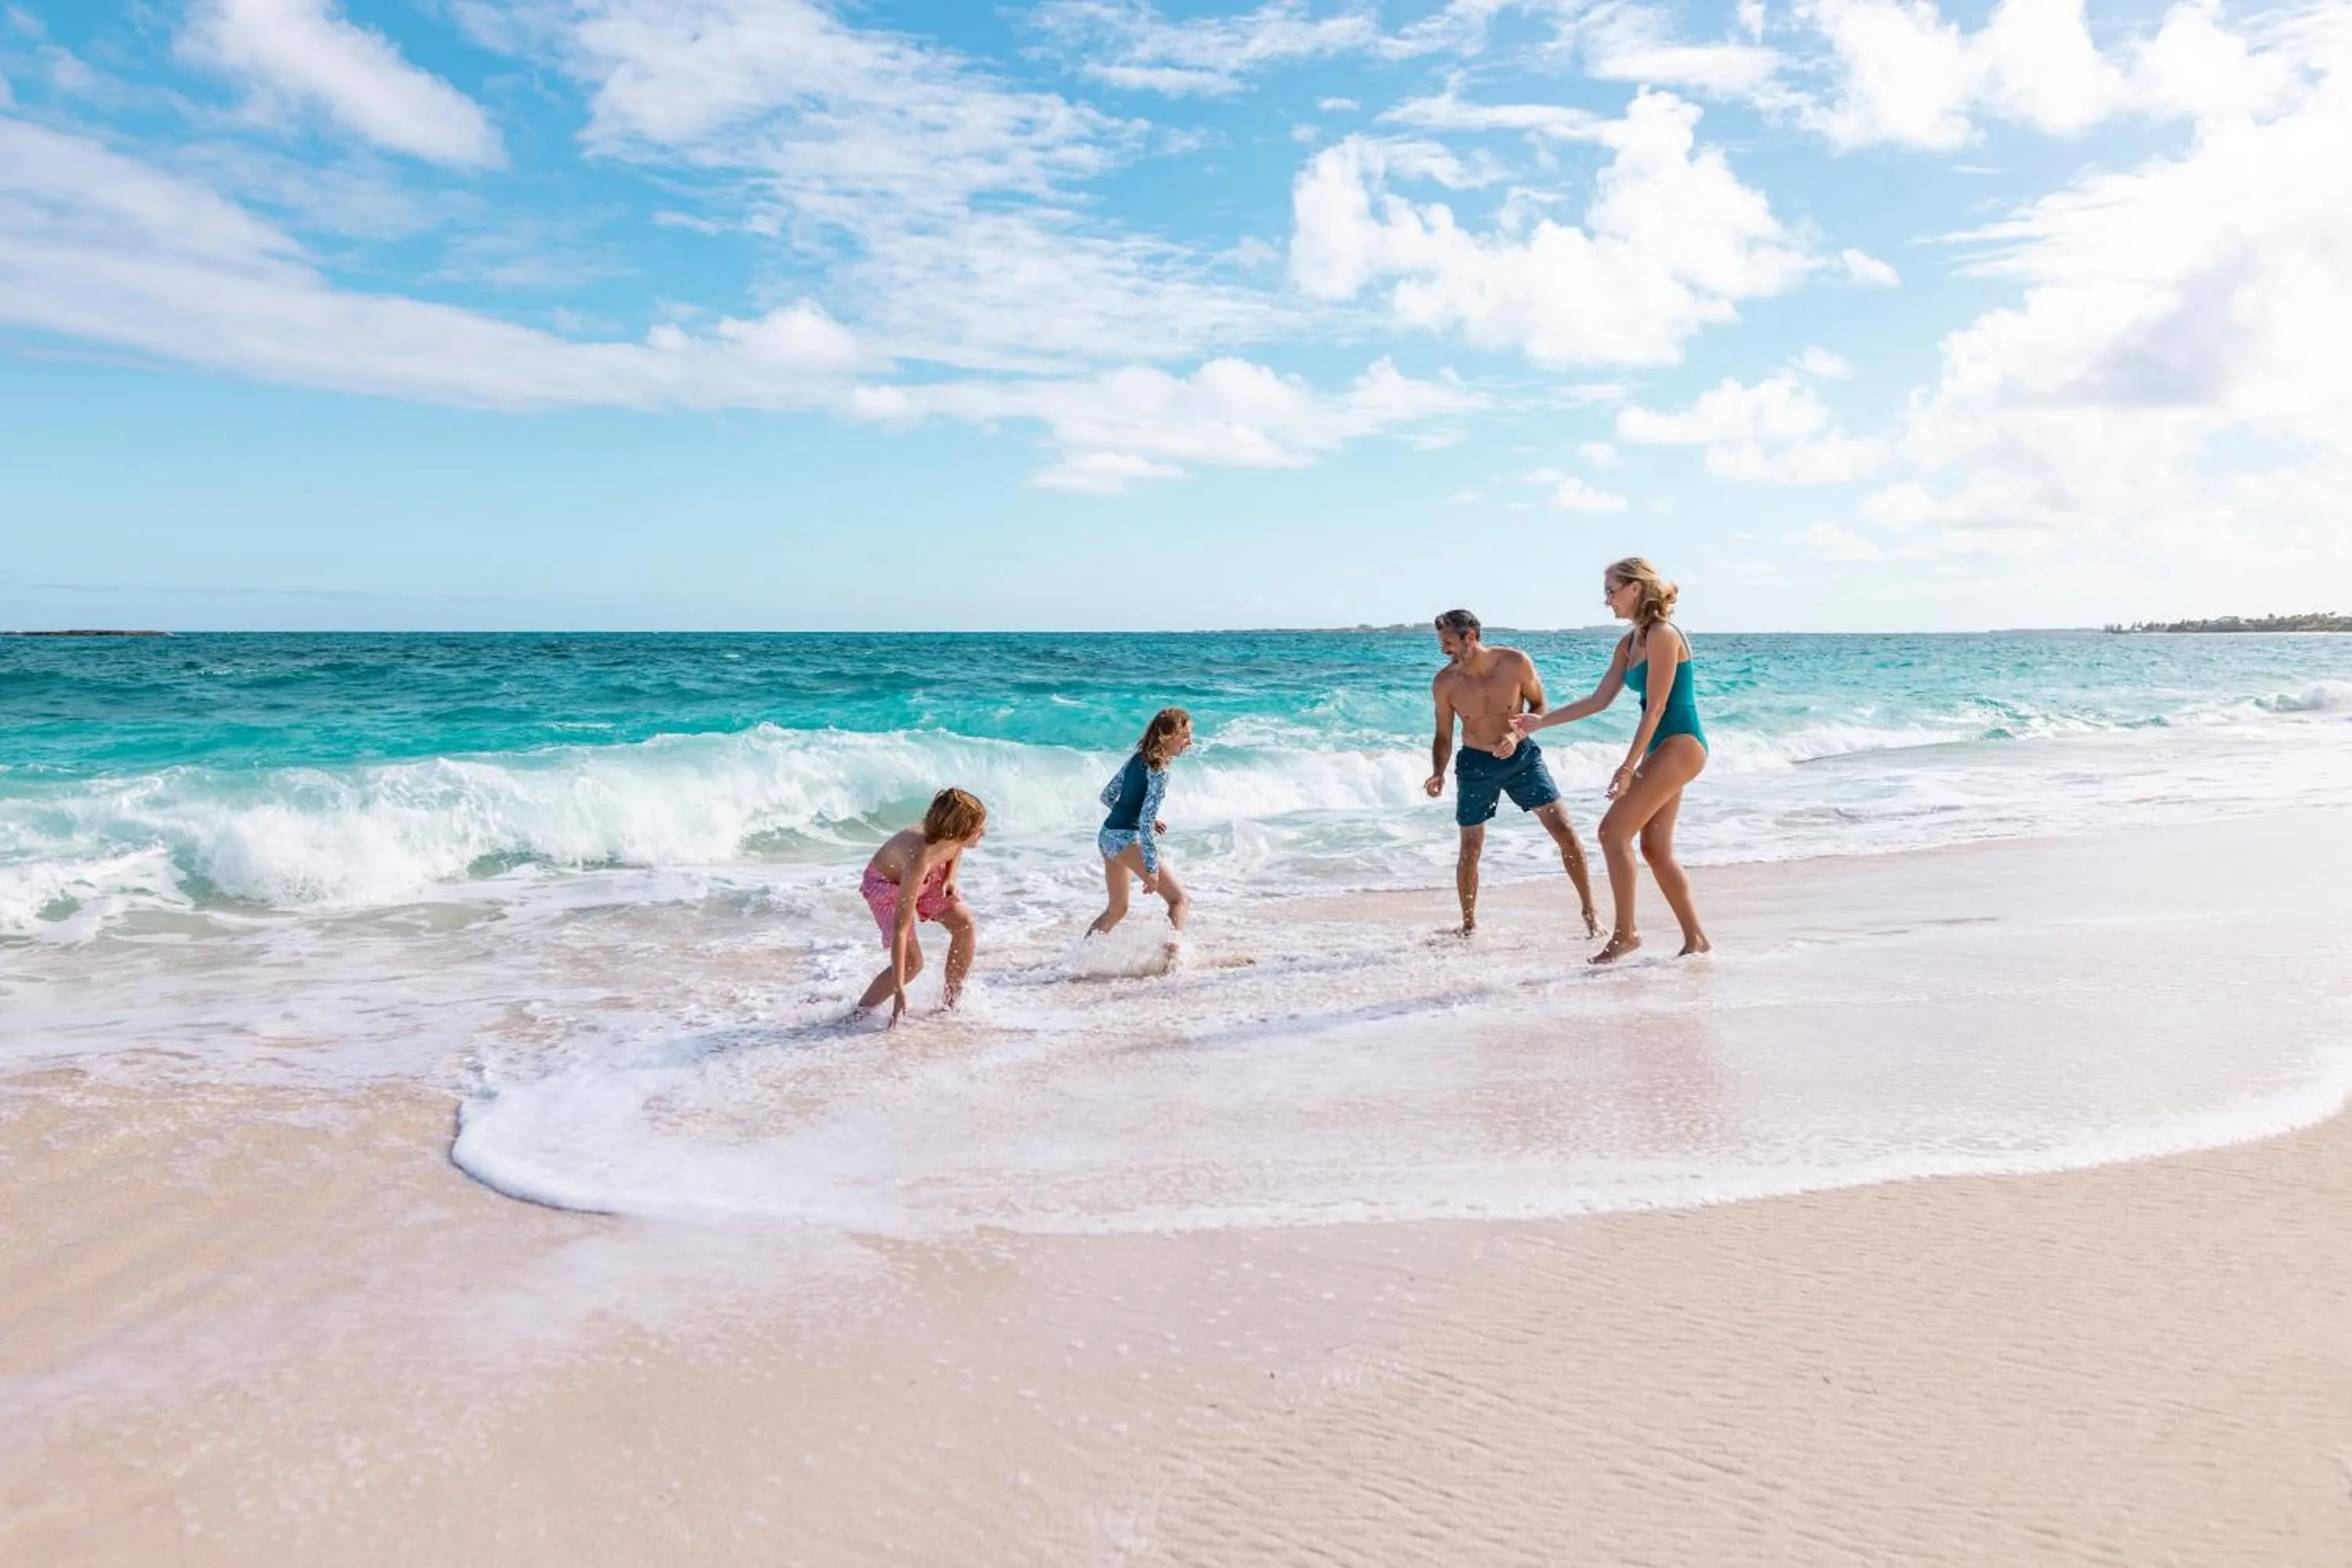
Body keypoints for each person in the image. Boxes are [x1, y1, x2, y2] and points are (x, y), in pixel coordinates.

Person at [1509, 559, 1710, 964]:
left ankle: (1626, 934)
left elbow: (1657, 708)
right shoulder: (1630, 642)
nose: (1607, 601)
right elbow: (1600, 700)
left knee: (1612, 833)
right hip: (1662, 748)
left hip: (1682, 744)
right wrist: (1542, 722)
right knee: (1655, 849)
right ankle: (1697, 941)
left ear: (1636, 588)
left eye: (1612, 591)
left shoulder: (1663, 634)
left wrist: (1627, 767)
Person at [1425, 609, 1600, 938]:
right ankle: (1469, 926)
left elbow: (1539, 707)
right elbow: (1443, 735)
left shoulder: (1515, 663)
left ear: (1470, 637)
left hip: (1522, 760)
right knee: (1470, 849)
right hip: (1475, 765)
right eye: (1441, 642)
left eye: (1448, 642)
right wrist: (1438, 772)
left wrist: (1515, 735)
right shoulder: (1445, 683)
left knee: (1565, 832)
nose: (1443, 649)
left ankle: (1591, 913)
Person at [855, 787, 987, 1026]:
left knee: (965, 924)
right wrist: (899, 990)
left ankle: (951, 1004)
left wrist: (950, 877)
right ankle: (858, 1015)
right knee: (912, 964)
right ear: (960, 831)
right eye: (979, 829)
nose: (984, 832)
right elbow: (901, 928)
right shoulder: (920, 858)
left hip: (926, 876)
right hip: (886, 887)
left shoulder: (951, 837)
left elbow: (956, 848)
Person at [1088, 707, 1192, 938]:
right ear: (1170, 735)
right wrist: (1152, 870)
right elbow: (1144, 823)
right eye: (1185, 736)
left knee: (1117, 909)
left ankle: (1079, 957)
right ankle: (1173, 958)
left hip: (1107, 836)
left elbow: (1107, 796)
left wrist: (1141, 816)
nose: (1189, 742)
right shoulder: (1159, 772)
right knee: (1179, 900)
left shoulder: (1136, 759)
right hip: (1127, 840)